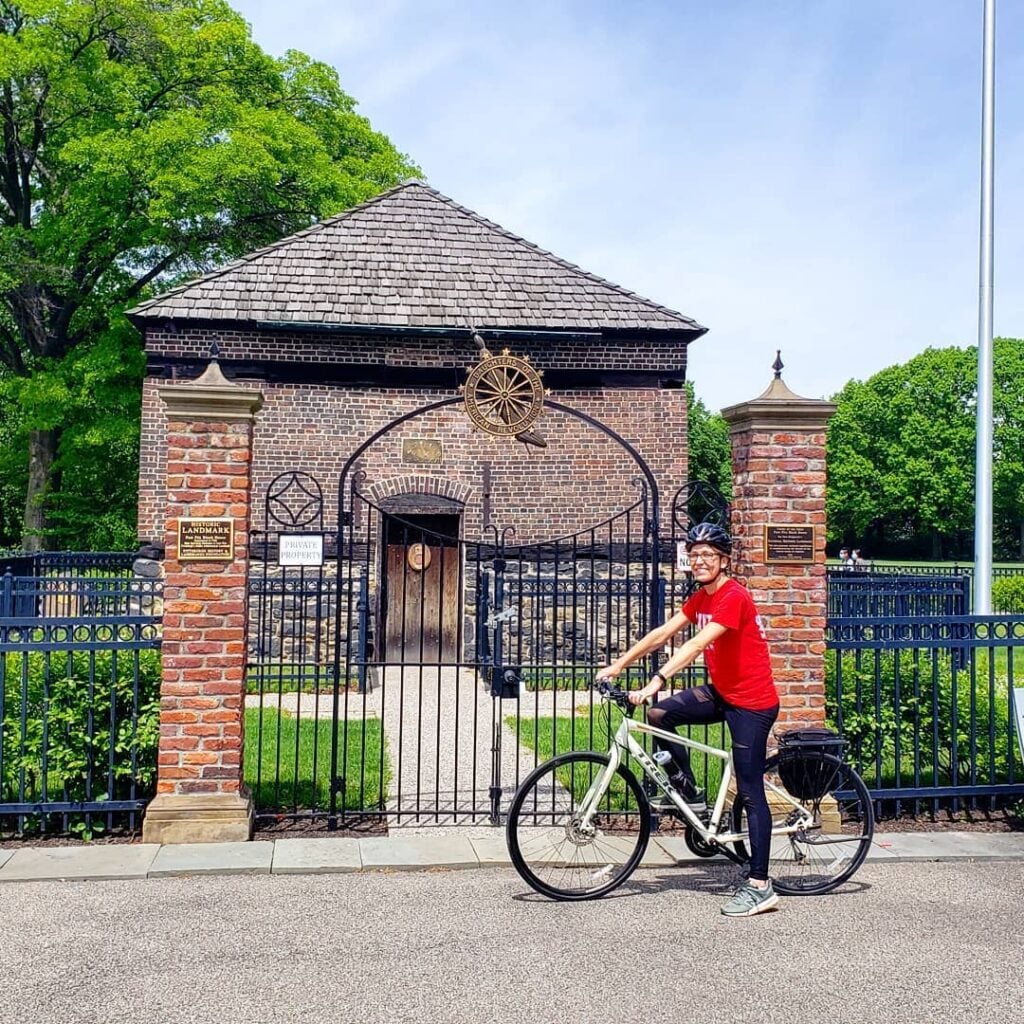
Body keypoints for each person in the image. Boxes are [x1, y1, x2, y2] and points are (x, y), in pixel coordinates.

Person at [596, 521, 781, 917]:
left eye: (707, 555)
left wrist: (657, 680)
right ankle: (689, 790)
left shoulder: (733, 596)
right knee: (659, 713)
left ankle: (760, 885)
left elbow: (696, 644)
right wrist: (618, 665)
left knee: (751, 791)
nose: (699, 561)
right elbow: (663, 634)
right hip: (724, 693)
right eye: (694, 555)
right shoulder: (701, 598)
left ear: (724, 561)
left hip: (752, 704)